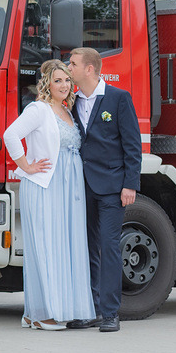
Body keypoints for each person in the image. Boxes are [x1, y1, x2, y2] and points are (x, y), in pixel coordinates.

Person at [3, 60, 95, 331]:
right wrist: (26, 166)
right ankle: (43, 313)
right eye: (57, 81)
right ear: (46, 84)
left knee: (65, 247)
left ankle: (43, 312)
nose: (64, 85)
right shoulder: (39, 109)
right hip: (45, 186)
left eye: (66, 80)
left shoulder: (68, 110)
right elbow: (10, 135)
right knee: (46, 247)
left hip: (69, 188)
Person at [66, 47, 142, 333]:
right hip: (80, 186)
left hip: (112, 187)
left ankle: (110, 313)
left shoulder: (118, 98)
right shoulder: (71, 101)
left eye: (72, 64)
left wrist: (130, 184)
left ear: (89, 69)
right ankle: (92, 310)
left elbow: (132, 145)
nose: (68, 67)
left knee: (109, 247)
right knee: (86, 248)